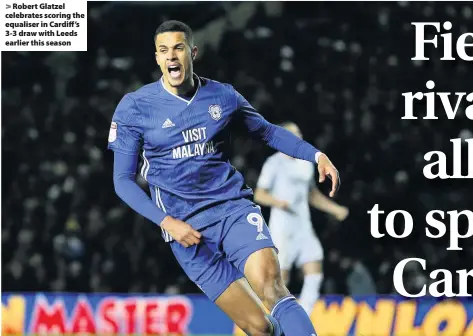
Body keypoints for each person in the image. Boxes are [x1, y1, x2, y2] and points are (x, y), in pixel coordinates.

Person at [108, 20, 340, 336]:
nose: (171, 56)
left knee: (270, 284)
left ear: (193, 51)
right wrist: (167, 222)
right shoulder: (135, 107)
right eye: (163, 51)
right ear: (157, 58)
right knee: (258, 327)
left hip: (231, 210)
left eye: (178, 48)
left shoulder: (222, 96)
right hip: (183, 229)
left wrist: (315, 155)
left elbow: (268, 131)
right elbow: (122, 180)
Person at [254, 122, 349, 316]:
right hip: (282, 228)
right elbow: (259, 194)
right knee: (282, 279)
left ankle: (304, 316)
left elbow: (311, 194)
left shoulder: (305, 163)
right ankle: (276, 320)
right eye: (293, 133)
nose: (298, 136)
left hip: (303, 226)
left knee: (315, 267)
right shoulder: (274, 163)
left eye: (299, 132)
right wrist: (279, 203)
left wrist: (335, 209)